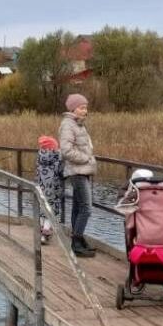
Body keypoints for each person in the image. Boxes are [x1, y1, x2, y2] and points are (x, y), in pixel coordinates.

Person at [58, 93, 96, 258]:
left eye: (86, 107)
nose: (85, 110)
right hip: (77, 171)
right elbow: (66, 150)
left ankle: (77, 240)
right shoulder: (68, 125)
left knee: (78, 207)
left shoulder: (79, 125)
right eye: (81, 107)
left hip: (83, 171)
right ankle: (77, 241)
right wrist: (86, 159)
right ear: (73, 108)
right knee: (86, 208)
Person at [36, 135, 63, 243]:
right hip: (53, 189)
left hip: (41, 188)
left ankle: (41, 231)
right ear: (52, 148)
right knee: (51, 211)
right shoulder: (56, 157)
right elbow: (60, 171)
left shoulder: (39, 157)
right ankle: (45, 233)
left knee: (42, 209)